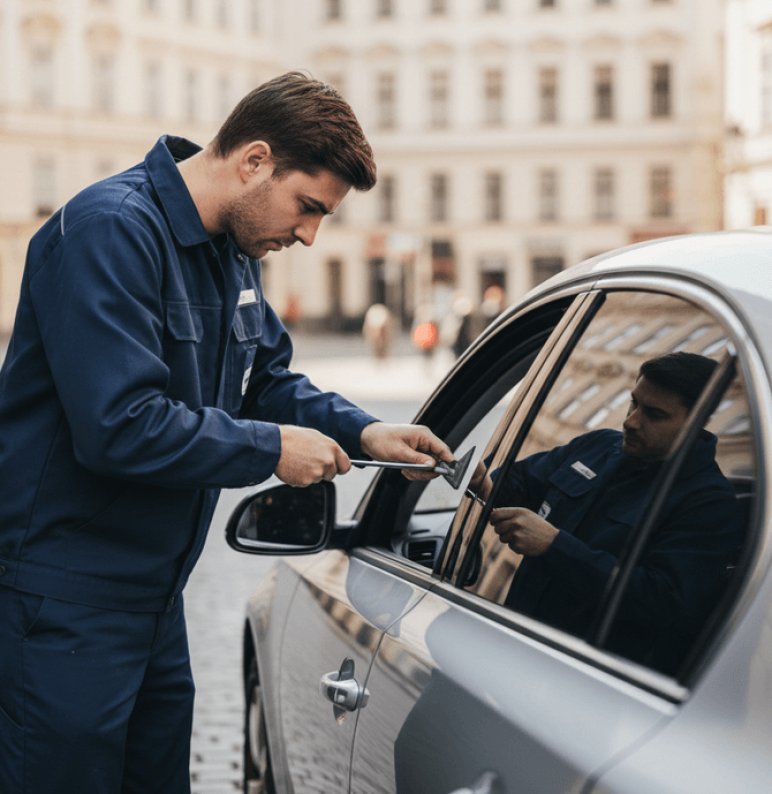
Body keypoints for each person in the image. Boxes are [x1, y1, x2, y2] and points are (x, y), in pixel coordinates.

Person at [0, 72, 452, 793]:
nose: (307, 234)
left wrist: (366, 433)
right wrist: (271, 448)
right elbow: (118, 426)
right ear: (253, 161)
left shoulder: (235, 251)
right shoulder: (110, 230)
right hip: (65, 601)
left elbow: (267, 381)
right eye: (307, 207)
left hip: (153, 600)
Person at [480, 352, 742, 675]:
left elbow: (665, 604)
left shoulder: (708, 503)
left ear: (696, 422)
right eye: (633, 403)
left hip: (588, 679)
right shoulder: (599, 446)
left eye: (654, 414)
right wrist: (482, 479)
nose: (631, 421)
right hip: (513, 647)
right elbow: (519, 482)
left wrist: (554, 546)